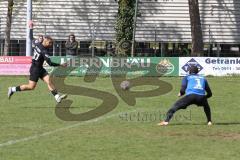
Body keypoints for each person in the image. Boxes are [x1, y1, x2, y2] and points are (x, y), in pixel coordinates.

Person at [8, 36, 67, 103]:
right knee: (31, 87)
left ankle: (57, 97)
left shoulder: (38, 44)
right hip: (35, 69)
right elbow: (50, 63)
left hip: (40, 68)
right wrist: (60, 64)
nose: (51, 44)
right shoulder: (44, 51)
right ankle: (12, 89)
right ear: (45, 41)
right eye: (50, 43)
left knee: (49, 81)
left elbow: (33, 41)